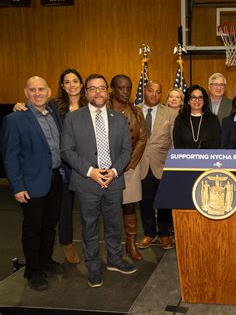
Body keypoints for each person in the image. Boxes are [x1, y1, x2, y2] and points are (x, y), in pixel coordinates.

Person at [61, 74, 135, 288]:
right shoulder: (73, 119)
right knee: (89, 227)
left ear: (107, 91)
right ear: (86, 92)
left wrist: (113, 171)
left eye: (102, 88)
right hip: (86, 183)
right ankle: (93, 267)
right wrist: (91, 171)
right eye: (93, 89)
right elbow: (66, 151)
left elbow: (125, 150)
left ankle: (114, 259)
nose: (98, 92)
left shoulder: (119, 119)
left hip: (114, 181)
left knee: (113, 225)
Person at [13, 69, 88, 264]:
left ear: (82, 84)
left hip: (87, 165)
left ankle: (89, 247)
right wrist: (19, 106)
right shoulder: (54, 106)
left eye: (75, 81)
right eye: (67, 82)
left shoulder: (90, 104)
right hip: (62, 167)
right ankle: (66, 245)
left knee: (87, 209)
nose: (71, 85)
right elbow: (33, 109)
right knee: (62, 211)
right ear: (62, 86)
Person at [2, 76, 63, 290]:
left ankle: (46, 261)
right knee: (32, 228)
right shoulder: (15, 119)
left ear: (48, 92)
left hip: (55, 179)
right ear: (26, 93)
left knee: (49, 224)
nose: (37, 93)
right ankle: (33, 271)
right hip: (31, 183)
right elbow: (10, 156)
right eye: (32, 90)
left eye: (41, 89)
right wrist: (18, 187)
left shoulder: (54, 114)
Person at [109, 75, 147, 261]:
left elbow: (142, 137)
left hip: (130, 167)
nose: (125, 92)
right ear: (113, 89)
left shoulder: (136, 110)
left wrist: (129, 163)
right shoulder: (103, 109)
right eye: (121, 88)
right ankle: (113, 246)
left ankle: (131, 243)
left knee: (130, 206)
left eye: (128, 88)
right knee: (110, 207)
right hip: (107, 168)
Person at [137, 81, 178, 250]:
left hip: (162, 165)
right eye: (150, 91)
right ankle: (149, 233)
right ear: (145, 91)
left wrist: (174, 166)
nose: (154, 94)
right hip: (140, 164)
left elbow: (173, 143)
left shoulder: (170, 113)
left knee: (163, 202)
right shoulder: (134, 110)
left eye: (158, 91)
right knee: (145, 202)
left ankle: (164, 234)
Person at [173, 85, 221, 149]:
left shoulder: (213, 119)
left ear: (204, 101)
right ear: (188, 101)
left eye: (200, 97)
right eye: (193, 97)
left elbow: (217, 142)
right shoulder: (180, 119)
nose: (197, 100)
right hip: (185, 158)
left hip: (208, 158)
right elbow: (177, 144)